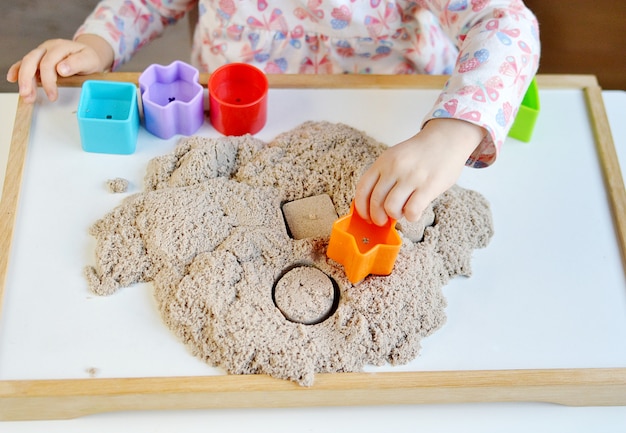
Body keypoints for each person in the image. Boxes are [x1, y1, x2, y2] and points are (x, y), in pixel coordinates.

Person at [6, 0, 540, 227]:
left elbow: (505, 21)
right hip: (231, 119)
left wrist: (455, 129)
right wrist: (99, 43)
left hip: (391, 123)